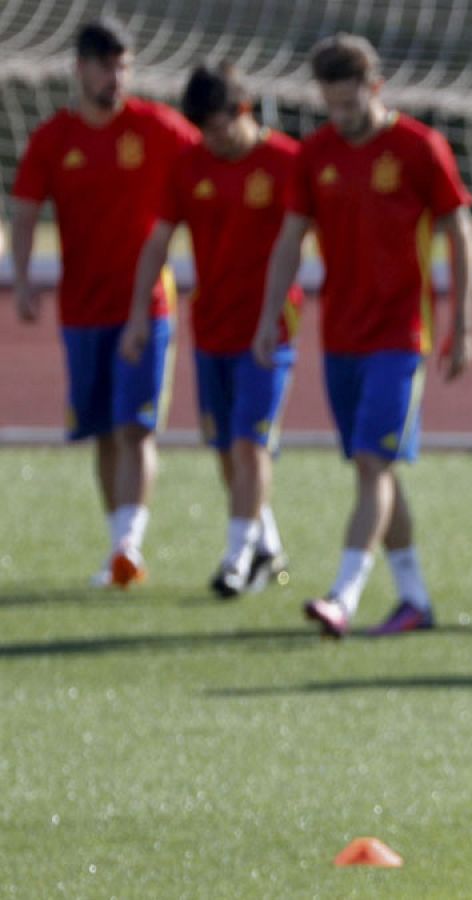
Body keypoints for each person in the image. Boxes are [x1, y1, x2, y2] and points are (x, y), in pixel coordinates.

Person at [255, 33, 472, 638]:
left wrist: (463, 321)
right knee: (372, 468)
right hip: (342, 336)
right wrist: (268, 315)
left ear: (375, 88)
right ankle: (414, 598)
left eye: (350, 104)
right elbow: (289, 241)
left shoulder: (418, 148)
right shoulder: (315, 154)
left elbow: (460, 231)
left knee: (375, 462)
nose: (341, 118)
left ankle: (344, 596)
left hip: (401, 336)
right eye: (331, 105)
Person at [9, 18, 199, 588]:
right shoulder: (52, 139)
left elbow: (212, 165)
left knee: (134, 427)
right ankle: (119, 540)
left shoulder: (159, 128)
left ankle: (129, 546)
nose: (116, 77)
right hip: (81, 307)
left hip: (146, 307)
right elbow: (23, 210)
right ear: (81, 69)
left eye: (124, 66)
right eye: (106, 66)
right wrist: (20, 280)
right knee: (100, 430)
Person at [120, 63, 300, 599]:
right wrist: (136, 314)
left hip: (270, 331)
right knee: (224, 447)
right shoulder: (189, 165)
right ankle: (265, 544)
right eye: (204, 130)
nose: (213, 140)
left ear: (243, 111)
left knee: (250, 446)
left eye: (219, 127)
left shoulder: (287, 162)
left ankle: (235, 559)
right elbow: (158, 241)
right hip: (213, 325)